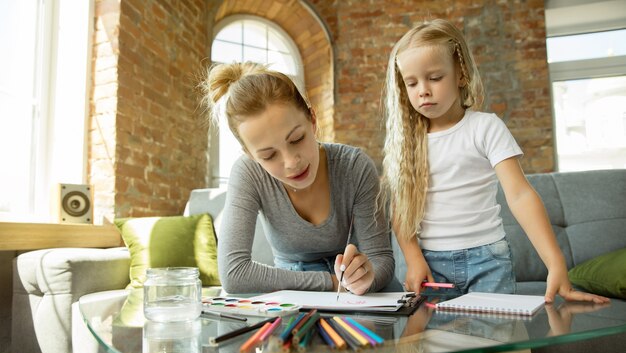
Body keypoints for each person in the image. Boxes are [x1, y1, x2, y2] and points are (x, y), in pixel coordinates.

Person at [380, 19, 609, 304]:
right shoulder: (407, 143)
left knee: (498, 346)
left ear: (460, 74)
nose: (423, 90)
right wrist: (414, 260)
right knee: (439, 346)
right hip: (431, 267)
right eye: (411, 83)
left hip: (488, 260)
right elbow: (401, 209)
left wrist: (555, 263)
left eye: (435, 78)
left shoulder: (485, 127)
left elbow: (520, 194)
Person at [202, 62, 395, 295]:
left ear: (312, 120)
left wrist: (368, 277)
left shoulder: (354, 166)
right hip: (293, 292)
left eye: (296, 139)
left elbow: (381, 258)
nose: (292, 162)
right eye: (269, 155)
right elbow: (234, 274)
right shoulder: (247, 173)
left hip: (357, 294)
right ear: (250, 155)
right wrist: (332, 283)